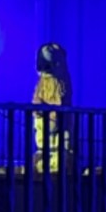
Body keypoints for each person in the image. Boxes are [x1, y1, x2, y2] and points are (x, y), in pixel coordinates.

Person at [32, 42, 72, 173]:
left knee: (60, 151)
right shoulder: (43, 82)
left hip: (56, 122)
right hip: (45, 122)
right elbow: (36, 101)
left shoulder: (60, 81)